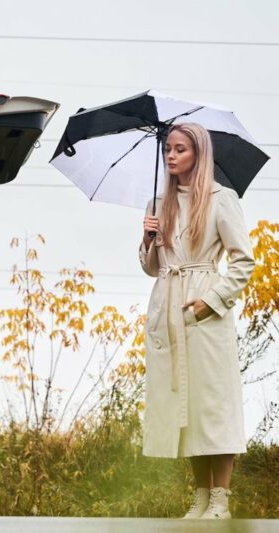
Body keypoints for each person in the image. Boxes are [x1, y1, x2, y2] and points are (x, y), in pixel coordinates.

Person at [139, 123, 255, 519]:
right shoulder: (157, 203)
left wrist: (212, 300)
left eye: (180, 150)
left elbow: (244, 261)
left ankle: (220, 497)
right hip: (167, 310)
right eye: (168, 149)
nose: (171, 157)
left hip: (204, 310)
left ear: (198, 154)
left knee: (213, 404)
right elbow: (152, 269)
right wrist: (148, 239)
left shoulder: (222, 199)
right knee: (182, 407)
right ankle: (200, 496)